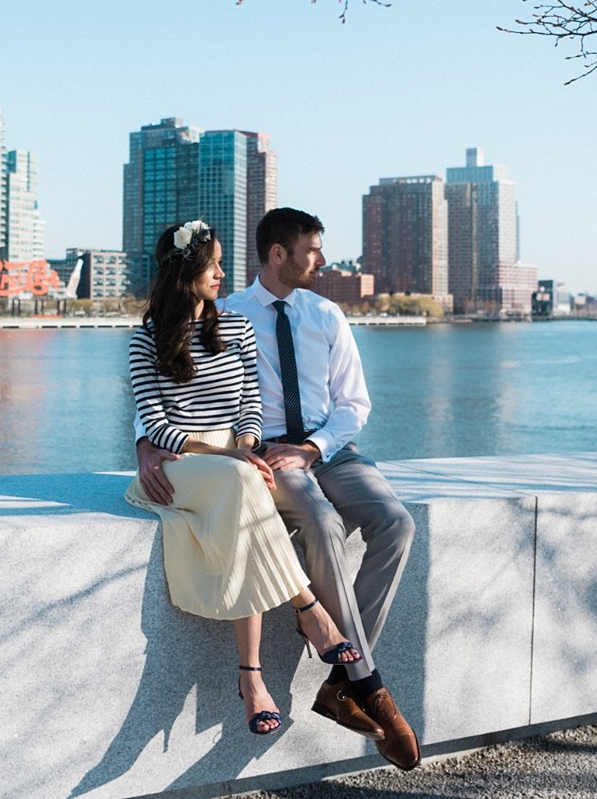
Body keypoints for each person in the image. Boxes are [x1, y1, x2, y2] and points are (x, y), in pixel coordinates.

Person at [136, 207, 421, 770]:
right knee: (320, 522)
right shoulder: (227, 315)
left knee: (397, 523)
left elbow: (353, 407)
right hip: (260, 456)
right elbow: (165, 393)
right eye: (312, 249)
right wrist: (146, 445)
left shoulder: (326, 315)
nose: (320, 259)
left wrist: (313, 449)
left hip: (329, 450)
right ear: (278, 254)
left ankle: (343, 680)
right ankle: (369, 685)